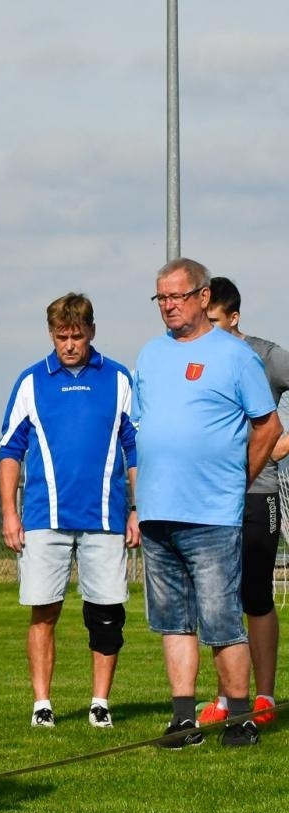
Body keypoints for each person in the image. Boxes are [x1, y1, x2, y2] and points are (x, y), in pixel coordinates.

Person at [133, 258, 280, 749]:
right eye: (161, 297)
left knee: (221, 620)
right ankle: (183, 720)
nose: (168, 305)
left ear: (202, 296)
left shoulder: (235, 356)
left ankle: (239, 719)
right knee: (174, 622)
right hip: (158, 512)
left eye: (176, 296)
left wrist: (239, 480)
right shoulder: (151, 354)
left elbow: (268, 426)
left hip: (212, 514)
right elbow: (141, 428)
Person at [0, 293, 138, 729]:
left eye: (77, 336)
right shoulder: (31, 381)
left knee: (106, 615)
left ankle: (100, 703)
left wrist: (137, 509)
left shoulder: (118, 378)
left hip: (106, 519)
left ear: (91, 331)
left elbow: (135, 448)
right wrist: (9, 513)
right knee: (44, 611)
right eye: (62, 337)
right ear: (51, 335)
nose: (70, 344)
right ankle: (42, 705)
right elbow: (10, 451)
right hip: (44, 519)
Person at [196, 276, 289, 730]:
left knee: (255, 595)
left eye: (213, 321)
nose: (206, 329)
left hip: (257, 494)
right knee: (219, 601)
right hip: (210, 498)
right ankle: (227, 698)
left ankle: (264, 696)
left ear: (233, 317)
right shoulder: (198, 357)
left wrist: (281, 444)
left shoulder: (267, 356)